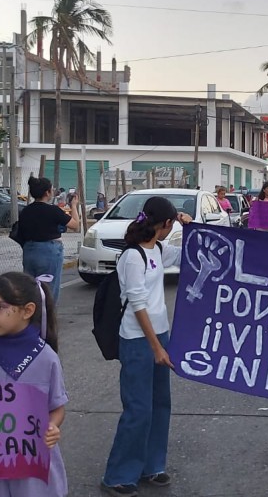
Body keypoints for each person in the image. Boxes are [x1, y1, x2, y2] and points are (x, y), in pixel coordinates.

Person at [102, 197, 192, 496]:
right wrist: (156, 348)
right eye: (171, 224)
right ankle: (119, 474)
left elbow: (187, 254)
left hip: (160, 335)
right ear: (164, 224)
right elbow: (137, 304)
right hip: (139, 340)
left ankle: (152, 465)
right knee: (138, 409)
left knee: (160, 405)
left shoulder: (159, 249)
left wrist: (188, 225)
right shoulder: (133, 257)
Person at [0, 271, 67, 497]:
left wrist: (52, 427)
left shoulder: (46, 358)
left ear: (27, 311)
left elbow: (57, 407)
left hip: (31, 462)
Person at [16, 176, 79, 303]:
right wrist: (74, 205)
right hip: (49, 251)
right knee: (49, 290)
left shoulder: (25, 211)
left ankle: (31, 317)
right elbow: (75, 225)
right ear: (47, 193)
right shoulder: (53, 210)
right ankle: (47, 319)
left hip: (29, 251)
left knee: (30, 289)